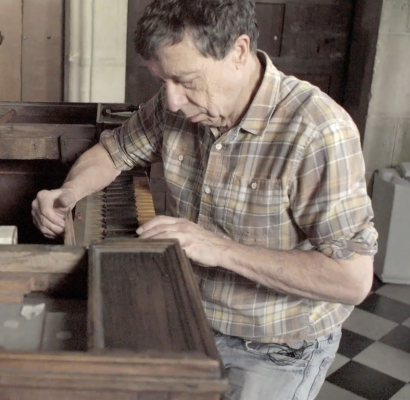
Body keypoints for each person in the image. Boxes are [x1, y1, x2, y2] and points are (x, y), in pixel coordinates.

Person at [31, 1, 378, 399]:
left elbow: (352, 279)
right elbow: (112, 153)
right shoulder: (176, 104)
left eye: (186, 80)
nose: (174, 100)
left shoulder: (318, 131)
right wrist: (69, 194)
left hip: (273, 350)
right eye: (163, 81)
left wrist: (221, 249)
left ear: (239, 52)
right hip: (186, 319)